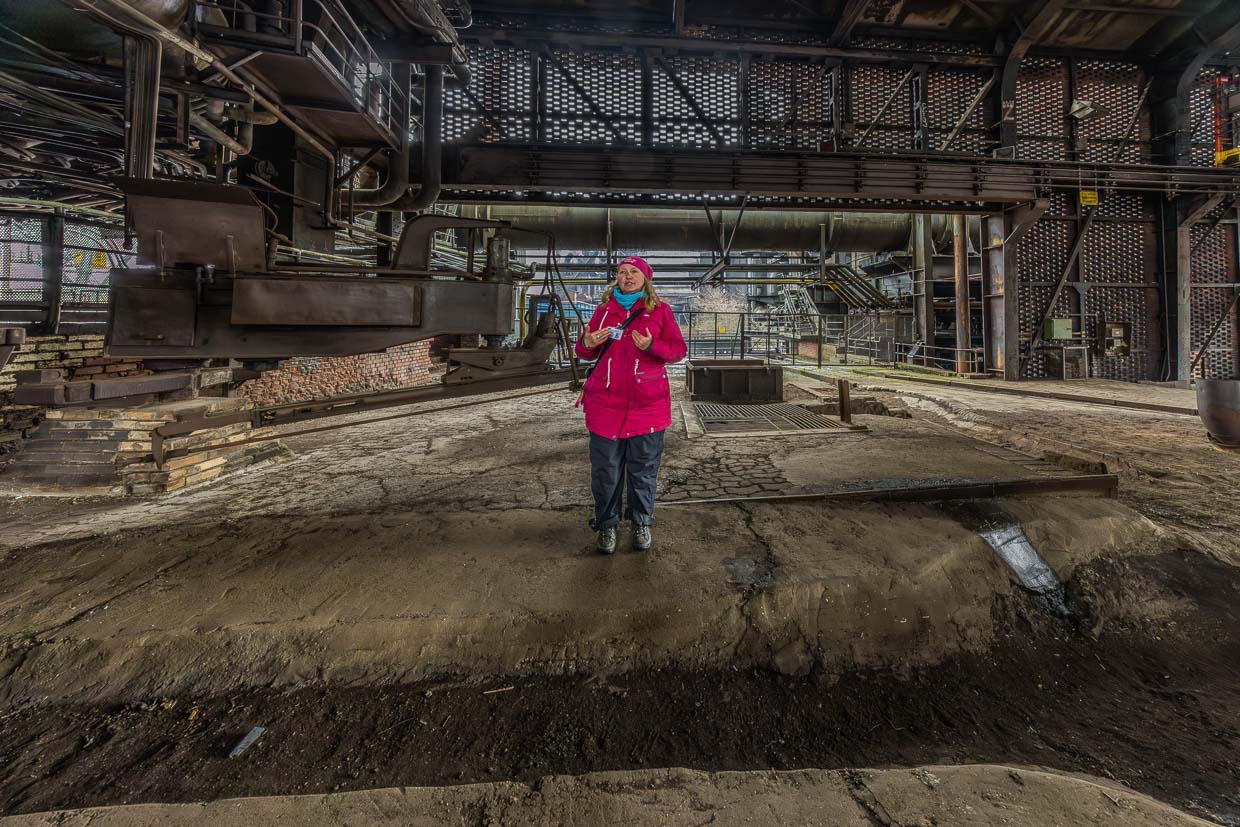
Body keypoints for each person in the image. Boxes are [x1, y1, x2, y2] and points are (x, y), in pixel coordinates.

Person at [575, 256, 687, 554]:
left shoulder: (660, 311)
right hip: (605, 407)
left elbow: (678, 351)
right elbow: (583, 351)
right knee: (606, 471)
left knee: (643, 469)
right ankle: (607, 525)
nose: (627, 276)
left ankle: (641, 522)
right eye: (622, 272)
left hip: (647, 406)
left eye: (634, 272)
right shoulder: (603, 311)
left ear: (645, 278)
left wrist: (652, 346)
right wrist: (588, 342)